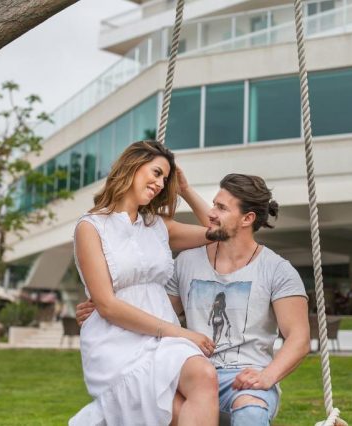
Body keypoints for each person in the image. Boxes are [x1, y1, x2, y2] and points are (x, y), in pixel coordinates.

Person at [78, 173, 311, 425]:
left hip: (244, 378)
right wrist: (104, 307)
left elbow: (298, 339)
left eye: (221, 208)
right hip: (189, 372)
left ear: (248, 218)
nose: (211, 213)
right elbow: (153, 311)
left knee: (251, 413)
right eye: (213, 204)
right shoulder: (186, 262)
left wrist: (267, 377)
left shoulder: (277, 270)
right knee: (147, 402)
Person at [69, 141, 219, 426]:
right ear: (132, 166)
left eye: (165, 179)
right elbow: (107, 305)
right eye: (156, 173)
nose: (160, 183)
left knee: (204, 374)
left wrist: (185, 190)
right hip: (116, 341)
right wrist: (182, 333)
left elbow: (218, 232)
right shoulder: (91, 227)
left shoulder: (158, 226)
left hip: (164, 337)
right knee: (175, 414)